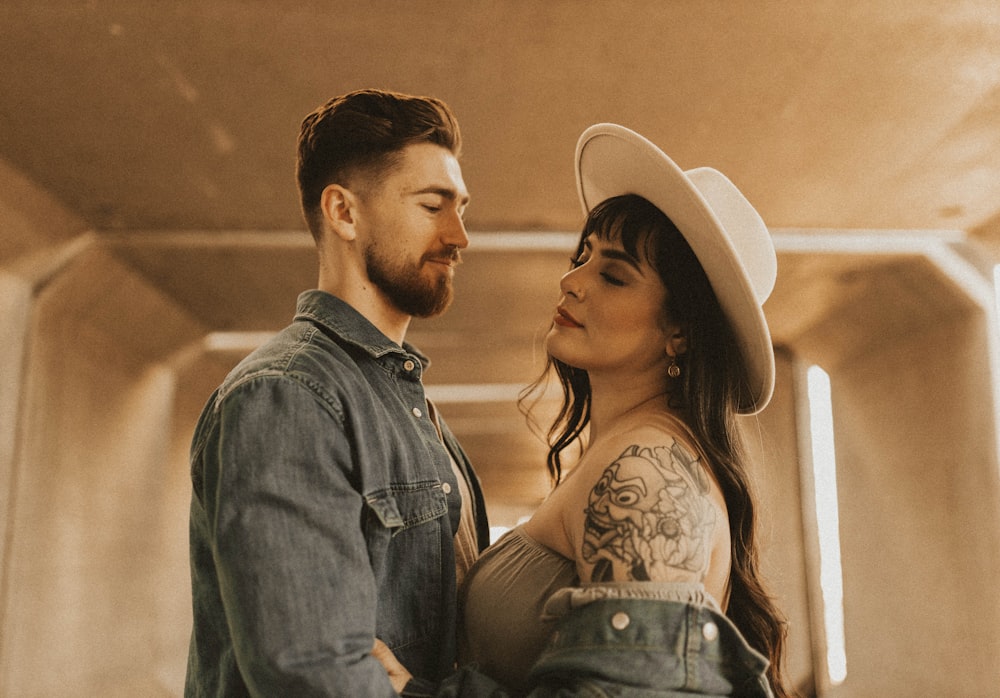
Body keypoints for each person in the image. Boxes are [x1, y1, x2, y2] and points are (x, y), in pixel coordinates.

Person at [377, 124, 790, 697]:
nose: (572, 282)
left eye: (614, 275)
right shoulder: (626, 454)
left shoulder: (647, 474)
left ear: (680, 332)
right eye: (584, 257)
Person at [184, 89, 491, 697]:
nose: (460, 235)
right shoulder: (287, 396)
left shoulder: (407, 404)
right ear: (344, 213)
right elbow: (314, 678)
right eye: (433, 206)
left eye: (462, 208)